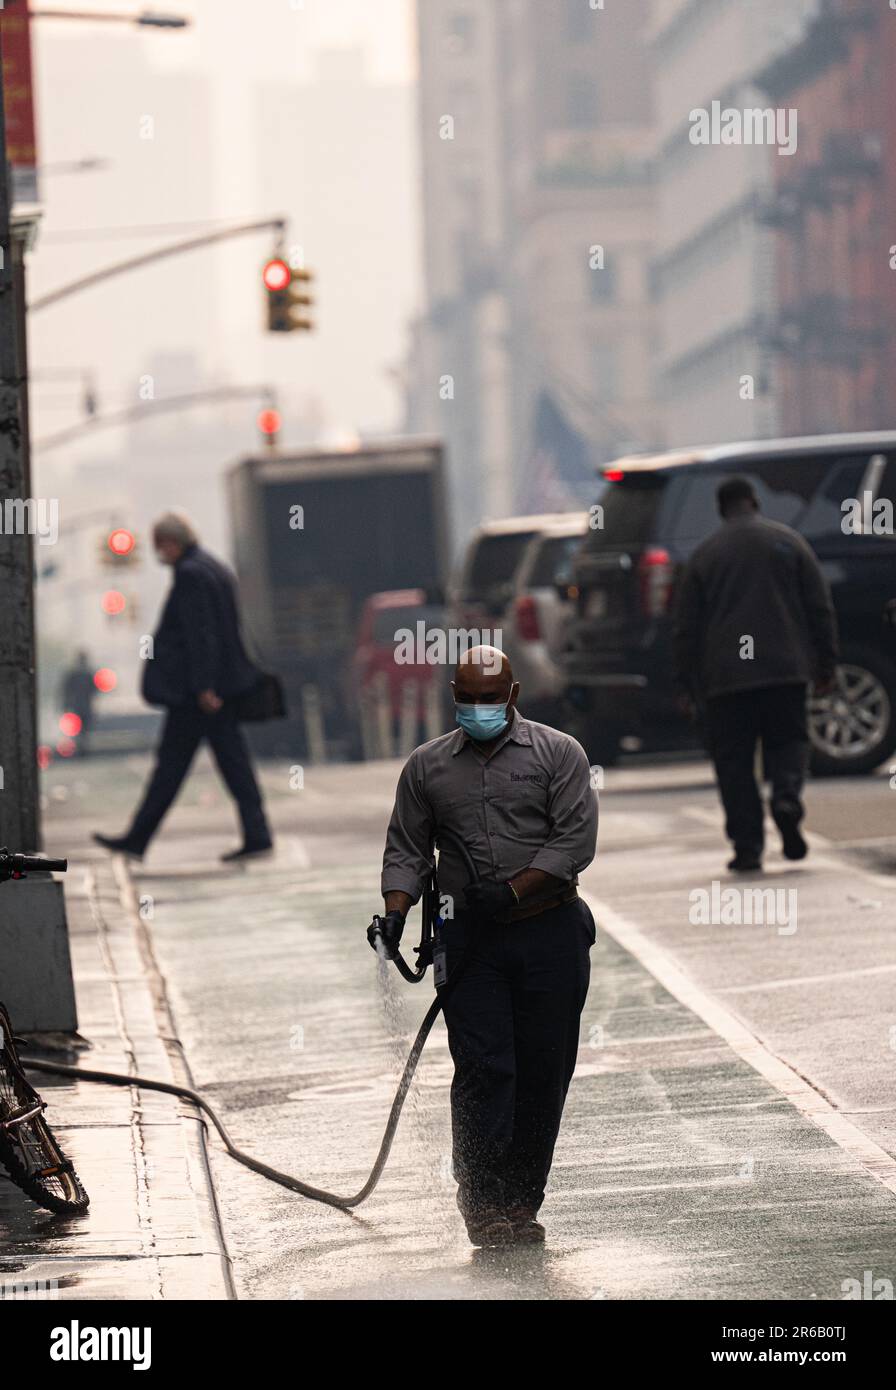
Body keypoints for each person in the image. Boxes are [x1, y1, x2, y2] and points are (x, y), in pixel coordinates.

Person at [372, 645, 598, 1248]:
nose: (479, 710)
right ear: (454, 697)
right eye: (467, 699)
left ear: (513, 696)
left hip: (549, 930)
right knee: (484, 1069)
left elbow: (574, 842)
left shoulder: (559, 755)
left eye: (489, 700)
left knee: (543, 1068)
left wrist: (516, 890)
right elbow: (407, 850)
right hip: (468, 940)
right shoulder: (427, 768)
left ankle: (522, 1200)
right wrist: (395, 912)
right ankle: (483, 1205)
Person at [673, 477, 839, 872]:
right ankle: (785, 797)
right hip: (784, 669)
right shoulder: (789, 542)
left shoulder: (704, 556)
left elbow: (685, 628)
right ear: (753, 501)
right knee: (789, 742)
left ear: (722, 509)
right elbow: (820, 607)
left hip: (726, 679)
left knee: (734, 764)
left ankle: (748, 847)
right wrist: (826, 664)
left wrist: (685, 683)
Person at [93, 511, 273, 863]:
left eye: (161, 546)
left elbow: (200, 634)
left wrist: (204, 686)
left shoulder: (191, 574)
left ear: (171, 543)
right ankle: (256, 834)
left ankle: (136, 839)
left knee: (172, 768)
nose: (160, 554)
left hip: (198, 697)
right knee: (231, 765)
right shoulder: (213, 567)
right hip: (216, 690)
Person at [60, 650, 96, 756]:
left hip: (76, 706)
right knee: (83, 729)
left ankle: (80, 747)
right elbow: (94, 690)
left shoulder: (73, 674)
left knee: (78, 729)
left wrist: (65, 705)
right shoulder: (87, 674)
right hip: (83, 706)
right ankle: (82, 747)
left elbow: (65, 690)